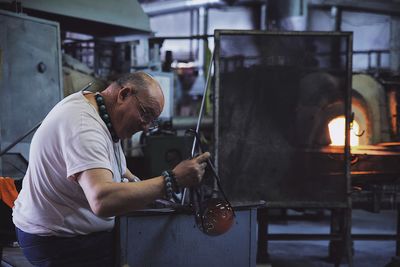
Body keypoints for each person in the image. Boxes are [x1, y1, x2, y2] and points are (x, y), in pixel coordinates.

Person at [12, 71, 210, 266]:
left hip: (72, 236)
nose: (146, 126)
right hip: (57, 243)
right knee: (153, 252)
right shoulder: (83, 126)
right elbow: (102, 200)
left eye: (152, 120)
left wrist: (152, 195)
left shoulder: (102, 114)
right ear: (124, 94)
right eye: (145, 113)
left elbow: (122, 171)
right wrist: (171, 180)